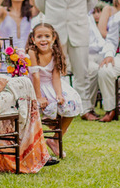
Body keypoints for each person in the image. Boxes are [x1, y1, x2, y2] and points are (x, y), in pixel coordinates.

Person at [35, 0, 98, 117]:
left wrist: (76, 15)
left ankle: (85, 109)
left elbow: (91, 1)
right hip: (54, 31)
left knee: (82, 72)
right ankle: (58, 107)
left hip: (79, 28)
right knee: (54, 71)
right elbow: (40, 3)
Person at [25, 21, 83, 157]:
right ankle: (43, 138)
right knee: (40, 106)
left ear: (53, 38)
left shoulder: (55, 52)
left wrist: (59, 94)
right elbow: (36, 77)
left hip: (51, 84)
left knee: (71, 102)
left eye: (47, 36)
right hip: (35, 85)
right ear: (33, 39)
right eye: (39, 37)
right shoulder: (32, 52)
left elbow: (56, 77)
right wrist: (39, 97)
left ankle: (56, 138)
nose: (43, 39)